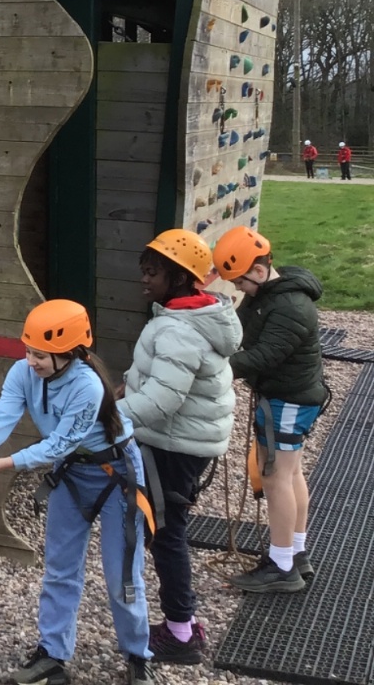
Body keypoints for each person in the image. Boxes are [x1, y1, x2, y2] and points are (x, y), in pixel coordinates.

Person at [0, 299, 156, 685]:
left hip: (115, 475)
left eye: (40, 355)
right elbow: (2, 417)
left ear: (69, 353)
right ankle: (52, 654)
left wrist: (3, 463)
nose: (31, 361)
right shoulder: (22, 373)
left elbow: (59, 444)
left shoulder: (87, 385)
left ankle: (137, 656)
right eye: (28, 351)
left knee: (121, 574)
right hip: (72, 475)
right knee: (60, 567)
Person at [119, 231, 241, 665]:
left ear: (180, 276)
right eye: (144, 271)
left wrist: (107, 416)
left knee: (167, 534)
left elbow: (161, 402)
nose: (144, 279)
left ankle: (181, 633)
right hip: (187, 441)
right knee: (166, 530)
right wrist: (126, 389)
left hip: (174, 446)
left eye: (152, 272)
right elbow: (160, 379)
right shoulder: (191, 315)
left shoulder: (178, 328)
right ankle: (180, 624)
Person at [213, 227, 327, 593]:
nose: (239, 289)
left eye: (240, 282)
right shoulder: (267, 295)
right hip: (284, 397)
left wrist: (211, 370)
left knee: (276, 477)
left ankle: (282, 567)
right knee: (290, 475)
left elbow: (263, 356)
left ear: (260, 271)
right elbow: (238, 330)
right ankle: (295, 552)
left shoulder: (291, 306)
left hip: (289, 400)